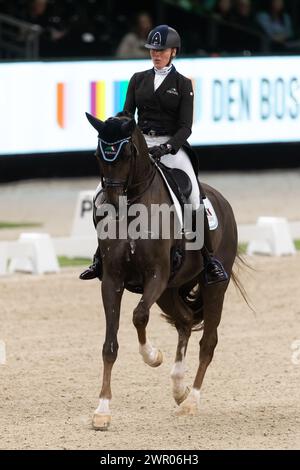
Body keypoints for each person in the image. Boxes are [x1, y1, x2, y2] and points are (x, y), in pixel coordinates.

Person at [80, 24, 228, 286]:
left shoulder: (183, 84)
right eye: (153, 50)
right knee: (100, 194)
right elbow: (127, 115)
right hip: (140, 145)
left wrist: (167, 147)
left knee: (193, 194)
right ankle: (100, 256)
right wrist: (115, 129)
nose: (156, 54)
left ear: (173, 52)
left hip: (172, 147)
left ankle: (208, 260)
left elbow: (186, 127)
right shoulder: (138, 79)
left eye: (161, 50)